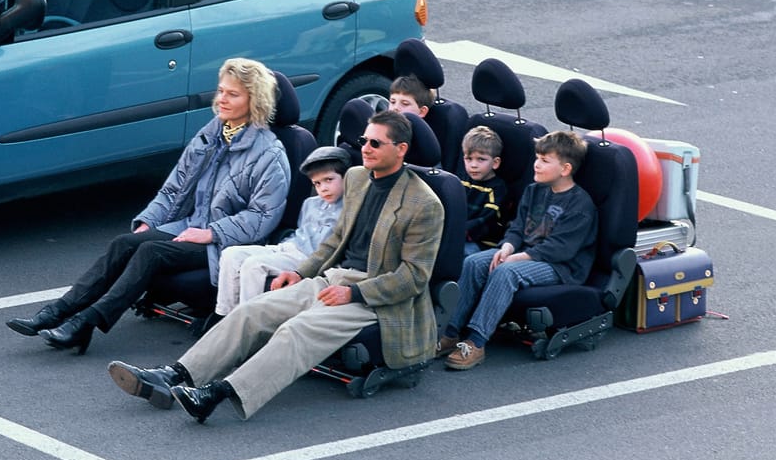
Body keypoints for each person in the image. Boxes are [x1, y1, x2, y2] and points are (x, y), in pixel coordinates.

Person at [108, 110, 443, 421]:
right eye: (363, 141)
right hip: (331, 279)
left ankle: (217, 394)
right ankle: (173, 375)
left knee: (296, 330)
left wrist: (354, 293)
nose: (365, 148)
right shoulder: (357, 178)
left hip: (376, 299)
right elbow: (335, 239)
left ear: (401, 149)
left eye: (374, 143)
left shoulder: (424, 204)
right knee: (251, 312)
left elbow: (413, 278)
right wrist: (300, 272)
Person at [6, 58, 290, 355]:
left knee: (151, 252)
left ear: (254, 100)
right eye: (220, 91)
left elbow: (262, 216)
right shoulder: (209, 135)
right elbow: (173, 189)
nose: (221, 99)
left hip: (225, 244)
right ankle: (56, 312)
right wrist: (149, 222)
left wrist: (211, 233)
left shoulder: (269, 153)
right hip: (189, 226)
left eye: (233, 94)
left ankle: (85, 324)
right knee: (125, 242)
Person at [440, 130, 597, 370]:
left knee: (506, 272)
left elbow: (560, 249)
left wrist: (517, 258)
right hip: (525, 252)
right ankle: (450, 332)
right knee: (473, 262)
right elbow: (517, 226)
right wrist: (507, 247)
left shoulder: (580, 205)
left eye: (544, 161)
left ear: (565, 169)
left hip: (560, 266)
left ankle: (476, 341)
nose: (536, 164)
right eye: (537, 158)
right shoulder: (534, 190)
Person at [212, 146, 351, 318]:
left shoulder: (350, 208)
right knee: (231, 254)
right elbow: (301, 231)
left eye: (329, 180)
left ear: (346, 178)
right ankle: (225, 315)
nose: (323, 188)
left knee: (254, 265)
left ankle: (251, 321)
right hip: (287, 247)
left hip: (307, 257)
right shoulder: (310, 203)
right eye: (317, 183)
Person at [458, 126, 508, 256]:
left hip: (483, 242)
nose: (473, 165)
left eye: (481, 159)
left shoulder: (497, 189)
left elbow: (485, 221)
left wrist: (455, 231)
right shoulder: (461, 180)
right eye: (469, 159)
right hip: (458, 234)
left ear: (495, 163)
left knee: (460, 253)